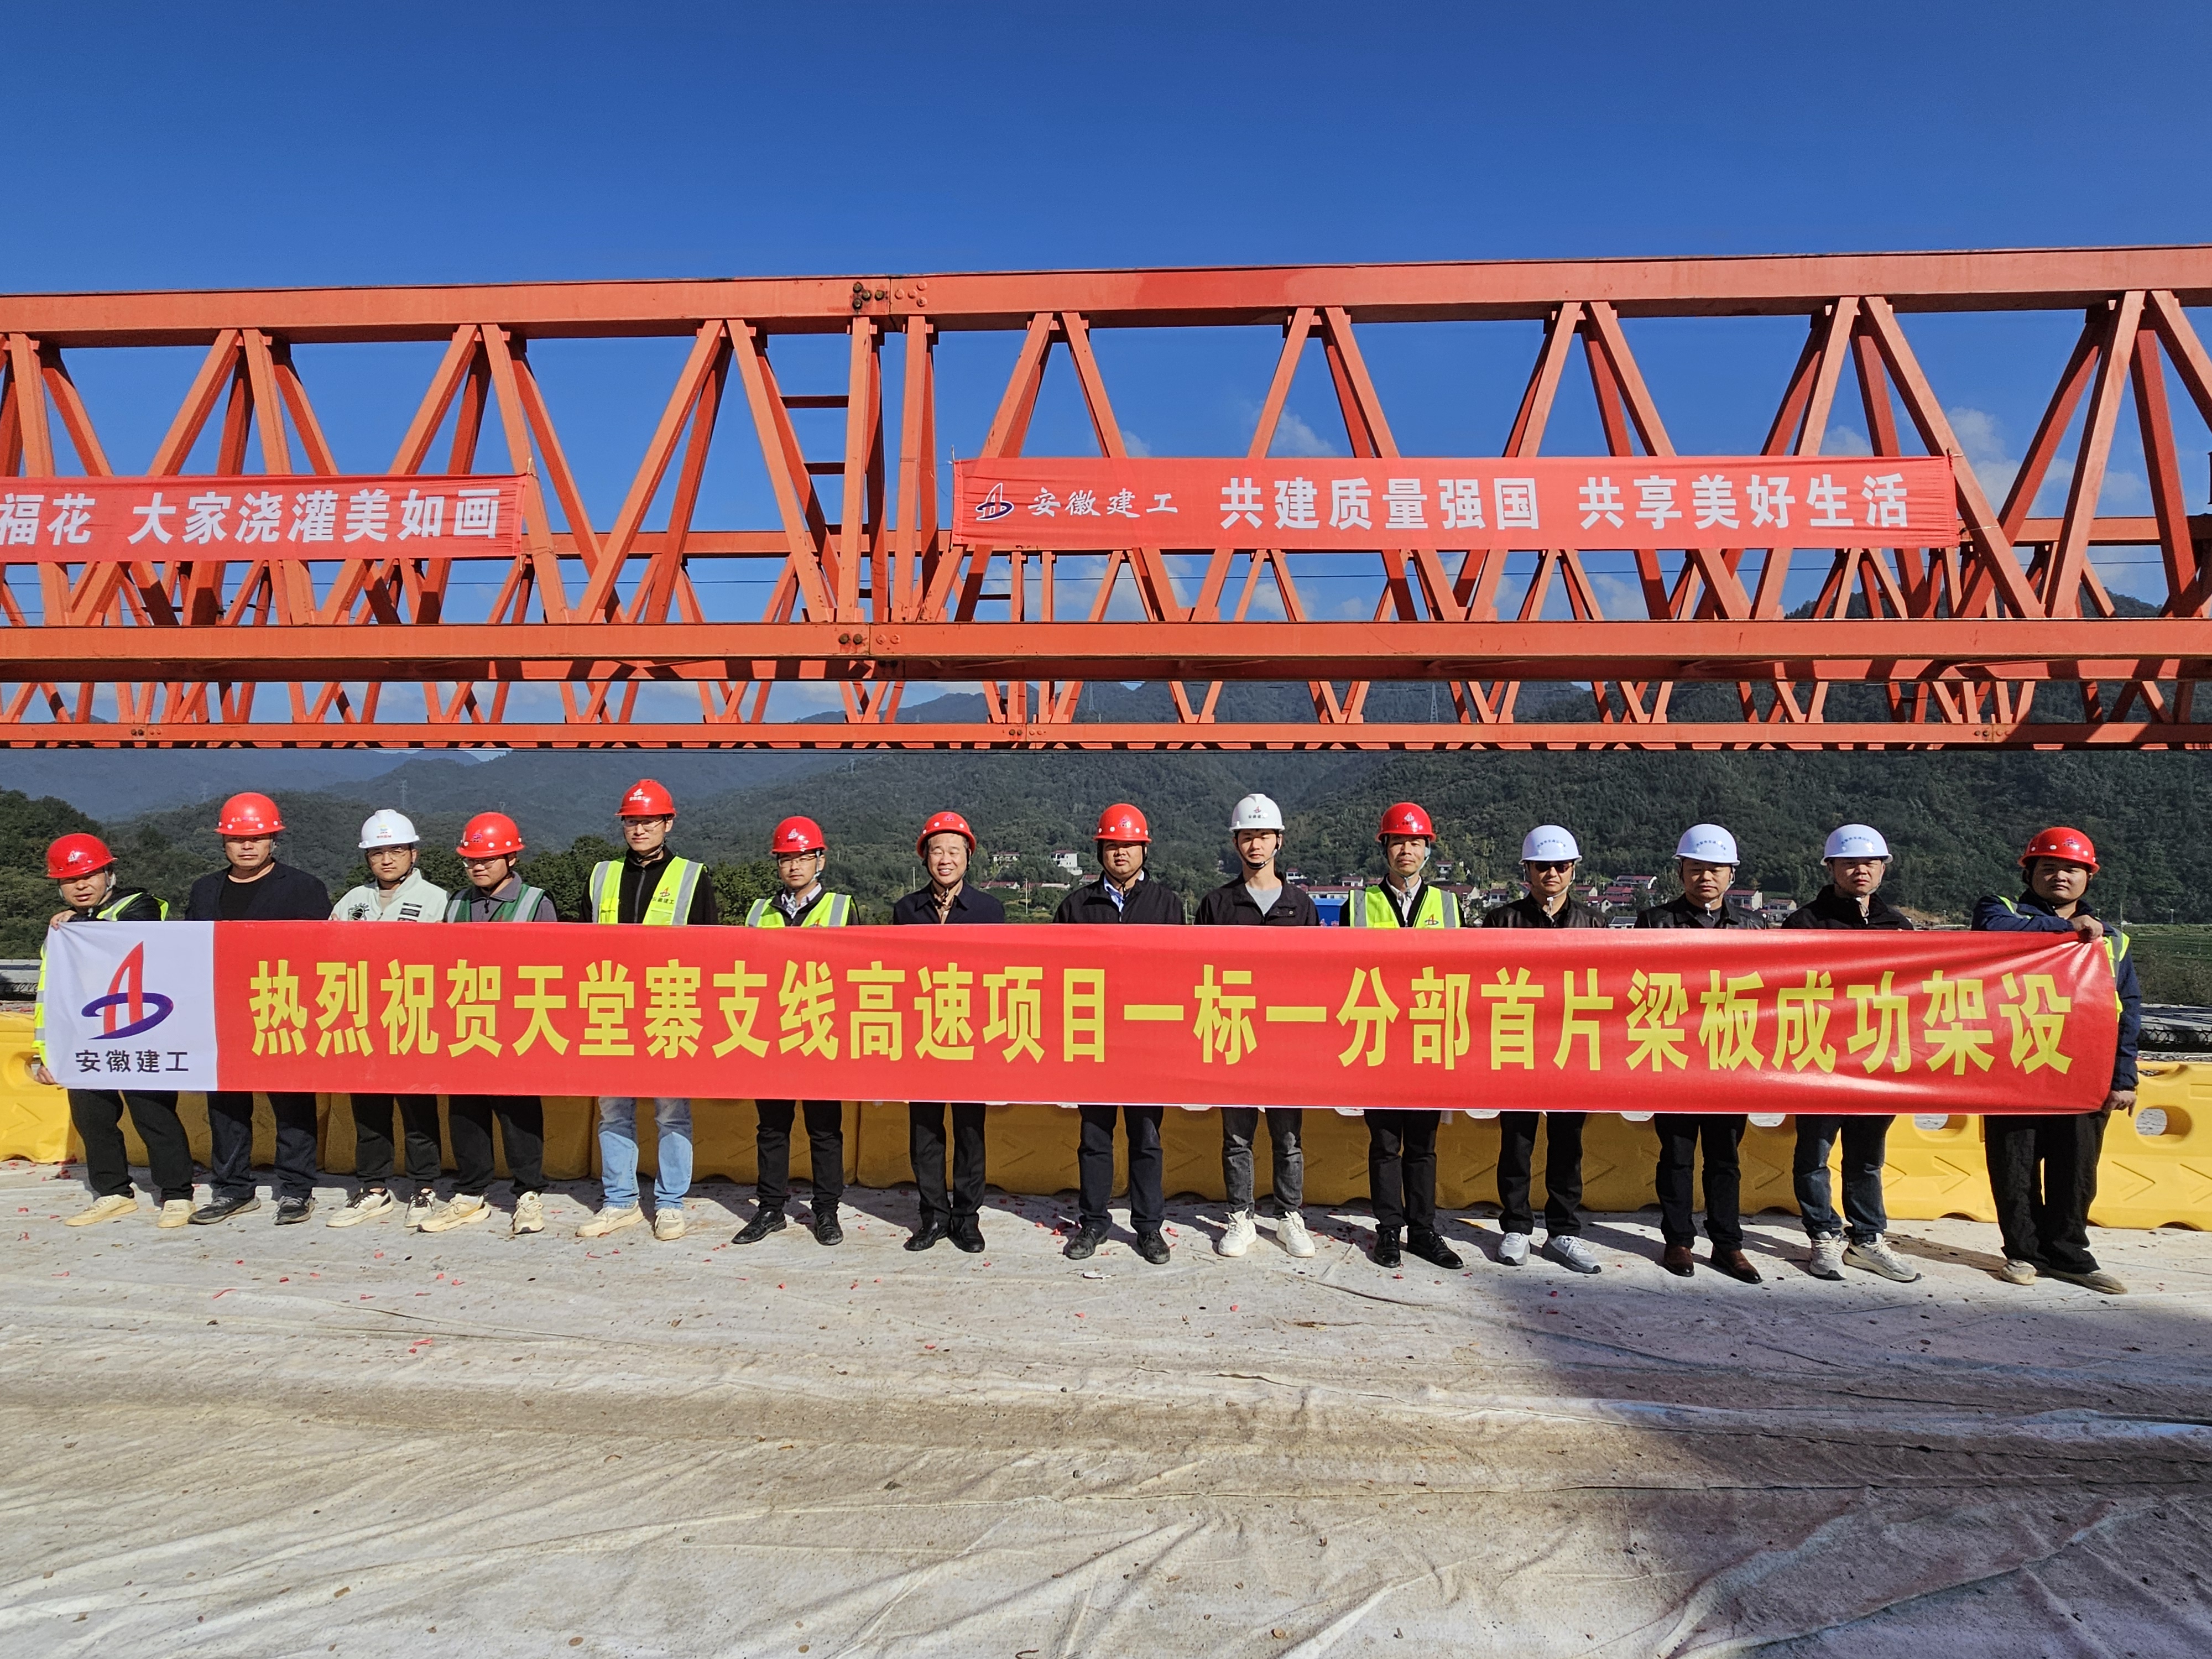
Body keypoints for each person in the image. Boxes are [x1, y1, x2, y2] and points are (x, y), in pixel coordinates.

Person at [1974, 826, 2141, 1295]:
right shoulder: (2001, 911)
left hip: (2082, 1071)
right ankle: (2023, 1252)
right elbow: (1994, 932)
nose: (2060, 877)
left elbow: (2126, 1011)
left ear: (2089, 877)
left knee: (2077, 1168)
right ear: (2029, 873)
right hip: (2014, 1067)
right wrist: (2068, 929)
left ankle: (2070, 1254)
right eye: (2048, 868)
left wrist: (2123, 1077)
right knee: (2015, 1165)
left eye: (2072, 869)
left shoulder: (2113, 941)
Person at [577, 780, 718, 1244]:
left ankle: (671, 1203)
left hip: (669, 1009)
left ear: (668, 824)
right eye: (631, 822)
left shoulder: (693, 876)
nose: (639, 830)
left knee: (671, 1113)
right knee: (613, 1111)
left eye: (648, 821)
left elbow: (710, 952)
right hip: (611, 1009)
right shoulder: (601, 875)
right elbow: (577, 946)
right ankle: (620, 1201)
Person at [30, 834, 194, 1229]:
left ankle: (177, 1194)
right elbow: (49, 995)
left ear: (109, 874)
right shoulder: (61, 932)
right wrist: (46, 1052)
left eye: (89, 876)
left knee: (154, 1116)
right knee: (94, 1119)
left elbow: (124, 938)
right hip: (87, 1037)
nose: (81, 886)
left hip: (141, 1033)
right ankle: (113, 1192)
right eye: (70, 880)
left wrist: (79, 923)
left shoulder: (140, 905)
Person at [1781, 823, 1921, 1284]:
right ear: (1831, 868)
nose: (1861, 870)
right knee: (1814, 1155)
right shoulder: (1804, 923)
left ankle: (1867, 1238)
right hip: (1819, 1057)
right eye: (1850, 863)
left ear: (1883, 868)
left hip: (1876, 1059)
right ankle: (1823, 1234)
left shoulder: (1898, 926)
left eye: (1870, 862)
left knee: (1866, 1157)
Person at [184, 793, 331, 1225]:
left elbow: (321, 954)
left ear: (273, 840)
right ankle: (233, 1189)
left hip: (284, 1008)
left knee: (292, 1104)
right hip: (224, 1013)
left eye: (257, 838)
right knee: (226, 1107)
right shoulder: (205, 890)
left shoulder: (303, 888)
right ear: (223, 842)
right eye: (237, 839)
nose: (247, 846)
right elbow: (190, 949)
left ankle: (297, 1190)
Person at [1055, 802, 1185, 1265]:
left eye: (1129, 845)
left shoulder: (1167, 905)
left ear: (1144, 849)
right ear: (1100, 851)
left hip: (1147, 1043)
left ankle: (1149, 1227)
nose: (1121, 853)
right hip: (1094, 1040)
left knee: (1146, 1138)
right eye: (1112, 845)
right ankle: (1093, 1222)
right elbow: (1056, 975)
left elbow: (1181, 973)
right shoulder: (1076, 906)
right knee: (1095, 1137)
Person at [1638, 823, 1766, 1284]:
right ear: (1681, 872)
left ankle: (1728, 1244)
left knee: (1725, 1157)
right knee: (1676, 1155)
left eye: (1715, 869)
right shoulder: (1654, 922)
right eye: (1696, 869)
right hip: (1674, 1055)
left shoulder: (1753, 927)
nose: (1705, 877)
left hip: (1730, 1058)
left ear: (1732, 874)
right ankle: (1678, 1240)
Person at [1193, 794, 1317, 1260]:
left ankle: (1289, 1215)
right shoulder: (1217, 904)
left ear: (1279, 841)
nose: (1256, 845)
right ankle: (1240, 1216)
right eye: (1248, 836)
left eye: (1264, 836)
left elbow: (1316, 976)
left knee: (1288, 1137)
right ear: (1236, 842)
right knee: (1237, 1136)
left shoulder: (1300, 905)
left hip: (1285, 1039)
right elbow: (1198, 971)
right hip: (1234, 1031)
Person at [420, 811, 551, 1237]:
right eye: (471, 860)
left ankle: (528, 1192)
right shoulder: (456, 903)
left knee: (518, 1114)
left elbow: (552, 965)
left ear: (511, 858)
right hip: (466, 1024)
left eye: (488, 859)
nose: (478, 867)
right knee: (466, 1111)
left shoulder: (535, 902)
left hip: (517, 1025)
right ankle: (470, 1191)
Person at [1480, 824, 1603, 1274]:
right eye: (1542, 866)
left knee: (1568, 1142)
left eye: (1560, 866)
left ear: (1573, 870)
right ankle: (1516, 1225)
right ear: (1527, 871)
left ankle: (1563, 1230)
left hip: (1573, 1045)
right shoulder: (1500, 921)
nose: (1552, 873)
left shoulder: (1594, 924)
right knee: (1517, 1140)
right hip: (1519, 1044)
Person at [1349, 802, 1464, 1270]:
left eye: (1415, 842)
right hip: (1378, 1039)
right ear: (1385, 848)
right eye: (1398, 841)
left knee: (1422, 1145)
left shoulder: (1448, 906)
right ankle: (1388, 1231)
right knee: (1384, 1145)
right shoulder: (1360, 905)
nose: (1406, 850)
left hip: (1427, 1039)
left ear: (1427, 849)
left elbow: (1464, 972)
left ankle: (1423, 1230)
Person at [734, 816, 854, 1248]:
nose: (794, 866)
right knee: (772, 1128)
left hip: (820, 1032)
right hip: (771, 1035)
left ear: (821, 860)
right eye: (786, 858)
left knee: (824, 1129)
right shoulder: (759, 912)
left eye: (803, 857)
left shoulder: (841, 908)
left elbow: (855, 973)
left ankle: (826, 1211)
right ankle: (770, 1209)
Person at [326, 810, 448, 1231]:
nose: (387, 859)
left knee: (418, 1110)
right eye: (377, 852)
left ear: (414, 854)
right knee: (369, 1110)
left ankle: (424, 1187)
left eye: (396, 850)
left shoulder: (436, 899)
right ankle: (373, 1188)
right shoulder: (352, 901)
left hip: (413, 1017)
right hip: (362, 1019)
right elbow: (328, 952)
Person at [891, 811, 1004, 1254]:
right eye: (937, 851)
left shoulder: (989, 911)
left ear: (968, 858)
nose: (945, 859)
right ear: (925, 857)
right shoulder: (906, 910)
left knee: (970, 1132)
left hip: (971, 1037)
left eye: (954, 851)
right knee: (925, 1132)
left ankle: (967, 1218)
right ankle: (933, 1216)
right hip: (922, 1038)